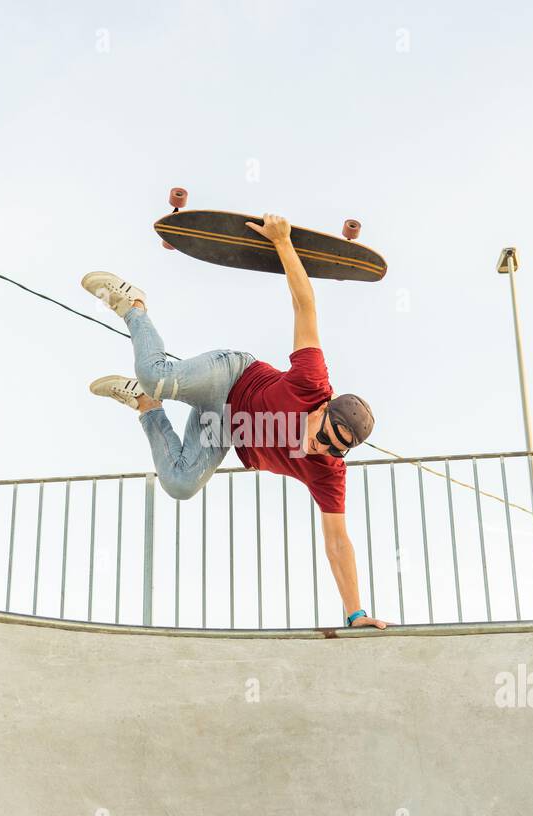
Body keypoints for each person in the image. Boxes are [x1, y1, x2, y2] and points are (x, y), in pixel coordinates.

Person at [82, 214, 386, 630]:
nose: (321, 447)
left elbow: (338, 541)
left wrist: (356, 613)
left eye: (334, 448)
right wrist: (282, 243)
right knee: (157, 373)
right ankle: (132, 304)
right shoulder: (312, 379)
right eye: (324, 434)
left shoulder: (328, 473)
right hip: (230, 376)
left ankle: (145, 405)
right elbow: (305, 305)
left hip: (221, 428)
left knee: (180, 484)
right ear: (323, 407)